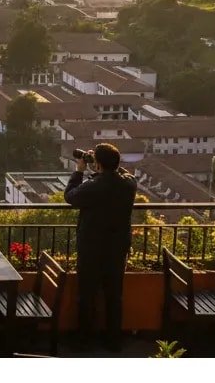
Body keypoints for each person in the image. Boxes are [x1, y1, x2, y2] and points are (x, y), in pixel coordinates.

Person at [65, 142, 139, 352]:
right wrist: (102, 164)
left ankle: (84, 339)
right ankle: (113, 341)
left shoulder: (94, 186)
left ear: (97, 164)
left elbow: (70, 196)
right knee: (114, 296)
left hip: (92, 247)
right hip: (118, 248)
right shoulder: (129, 183)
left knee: (87, 295)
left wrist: (79, 170)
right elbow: (120, 173)